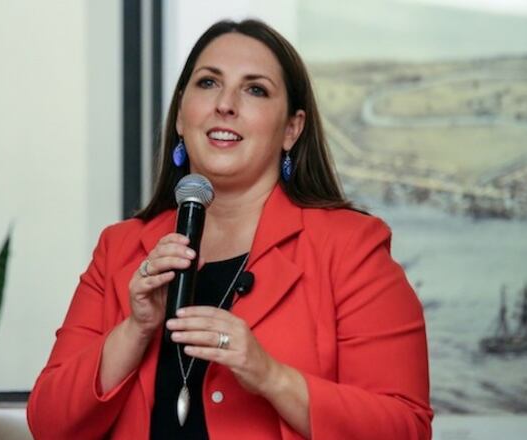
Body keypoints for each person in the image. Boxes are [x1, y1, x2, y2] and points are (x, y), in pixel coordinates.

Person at [27, 19, 432, 440]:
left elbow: (405, 429)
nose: (225, 104)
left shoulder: (350, 247)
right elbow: (48, 424)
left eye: (255, 89)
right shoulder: (120, 248)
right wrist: (135, 329)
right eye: (208, 83)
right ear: (181, 115)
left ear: (291, 129)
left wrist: (269, 375)